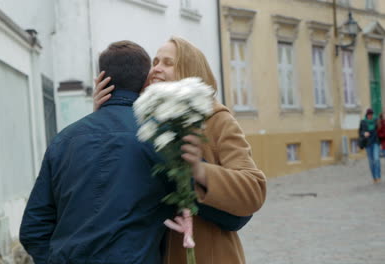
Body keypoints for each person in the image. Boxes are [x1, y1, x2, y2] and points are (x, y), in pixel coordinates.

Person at [94, 36, 267, 264]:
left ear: (190, 71)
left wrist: (200, 170)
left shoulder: (216, 119)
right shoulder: (143, 122)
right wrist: (105, 115)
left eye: (167, 62)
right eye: (155, 62)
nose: (156, 68)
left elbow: (253, 190)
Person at [19, 41, 176, 264]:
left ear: (101, 79)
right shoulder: (161, 139)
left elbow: (33, 229)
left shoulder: (64, 141)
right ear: (145, 83)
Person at [359, 108, 381, 183]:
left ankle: (378, 176)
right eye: (369, 114)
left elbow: (381, 127)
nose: (370, 116)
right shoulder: (363, 122)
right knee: (371, 161)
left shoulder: (376, 120)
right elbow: (360, 132)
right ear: (367, 115)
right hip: (368, 144)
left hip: (375, 142)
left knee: (376, 159)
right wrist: (364, 133)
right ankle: (374, 177)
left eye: (371, 114)